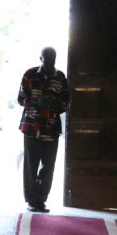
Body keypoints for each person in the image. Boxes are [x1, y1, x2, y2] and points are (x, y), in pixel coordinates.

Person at [17, 47, 70, 213]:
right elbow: (20, 99)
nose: (49, 63)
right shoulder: (29, 74)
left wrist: (56, 105)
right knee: (31, 165)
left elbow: (67, 102)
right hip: (32, 126)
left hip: (51, 127)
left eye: (52, 59)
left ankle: (42, 200)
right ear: (40, 58)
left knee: (48, 166)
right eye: (46, 59)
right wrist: (35, 102)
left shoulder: (61, 77)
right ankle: (32, 201)